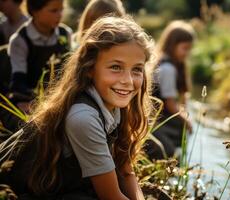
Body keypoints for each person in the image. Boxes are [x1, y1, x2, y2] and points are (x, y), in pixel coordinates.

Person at [0, 16, 154, 199]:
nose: (128, 81)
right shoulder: (82, 117)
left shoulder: (114, 103)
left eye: (136, 69)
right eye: (115, 67)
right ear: (89, 68)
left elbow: (127, 172)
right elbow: (111, 197)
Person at [8, 0, 71, 111]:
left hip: (61, 99)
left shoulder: (65, 33)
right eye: (54, 11)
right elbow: (18, 82)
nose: (60, 15)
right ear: (35, 11)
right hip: (30, 102)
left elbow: (70, 72)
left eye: (61, 9)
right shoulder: (20, 40)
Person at [145, 20, 195, 160]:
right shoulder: (168, 69)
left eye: (189, 49)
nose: (187, 53)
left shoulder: (173, 64)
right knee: (169, 149)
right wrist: (187, 121)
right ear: (173, 45)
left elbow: (182, 98)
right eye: (185, 48)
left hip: (160, 117)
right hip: (154, 119)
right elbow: (170, 104)